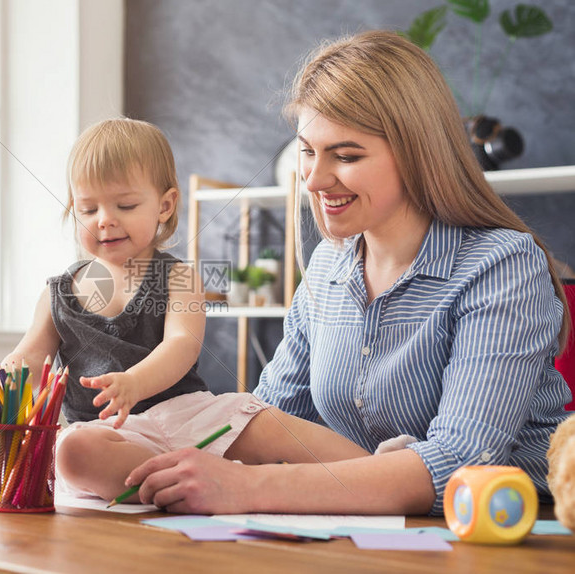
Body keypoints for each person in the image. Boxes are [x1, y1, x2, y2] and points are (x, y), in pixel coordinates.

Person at [124, 30, 573, 516]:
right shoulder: (327, 265)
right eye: (308, 151)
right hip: (367, 525)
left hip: (504, 531)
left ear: (418, 153)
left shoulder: (501, 264)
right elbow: (273, 414)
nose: (314, 180)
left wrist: (248, 487)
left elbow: (460, 464)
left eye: (346, 155)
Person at [0, 118, 322, 502]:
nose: (104, 219)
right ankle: (183, 486)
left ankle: (374, 466)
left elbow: (181, 345)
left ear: (165, 205)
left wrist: (135, 382)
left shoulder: (179, 278)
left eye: (125, 205)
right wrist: (4, 398)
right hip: (108, 431)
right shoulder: (57, 293)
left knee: (268, 422)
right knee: (71, 454)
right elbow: (30, 359)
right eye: (88, 209)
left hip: (185, 413)